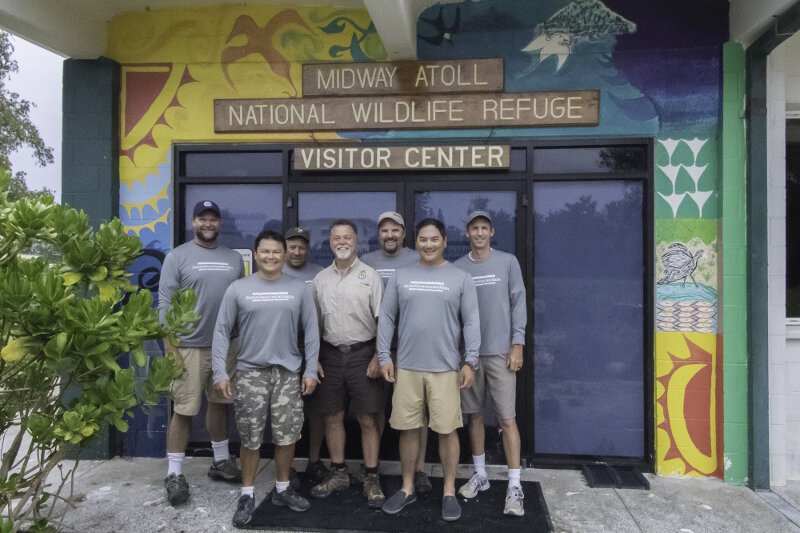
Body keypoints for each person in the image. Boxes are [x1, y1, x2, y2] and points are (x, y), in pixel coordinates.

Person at [211, 230, 320, 527]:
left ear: (284, 255)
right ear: (256, 255)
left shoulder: (299, 289)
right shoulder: (238, 289)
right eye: (265, 252)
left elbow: (311, 332)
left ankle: (282, 489)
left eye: (276, 252)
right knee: (251, 438)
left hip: (287, 374)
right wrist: (220, 371)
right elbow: (221, 331)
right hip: (250, 373)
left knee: (287, 436)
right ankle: (247, 494)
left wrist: (310, 370)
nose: (271, 257)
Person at [377, 218, 480, 522]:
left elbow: (472, 321)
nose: (429, 244)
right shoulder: (401, 275)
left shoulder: (460, 278)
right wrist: (384, 356)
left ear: (445, 242)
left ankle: (449, 490)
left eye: (434, 239)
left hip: (446, 369)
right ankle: (407, 487)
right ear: (416, 242)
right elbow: (387, 318)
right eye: (423, 239)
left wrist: (470, 360)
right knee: (408, 429)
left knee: (448, 431)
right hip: (407, 367)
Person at [158, 200, 244, 506]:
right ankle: (174, 474)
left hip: (225, 347)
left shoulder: (234, 258)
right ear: (193, 222)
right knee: (183, 409)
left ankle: (221, 462)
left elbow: (239, 302)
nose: (208, 224)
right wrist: (170, 347)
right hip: (187, 346)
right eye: (202, 219)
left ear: (219, 223)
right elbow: (165, 302)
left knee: (220, 404)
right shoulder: (177, 256)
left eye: (213, 219)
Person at [454, 211, 527, 517]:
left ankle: (514, 484)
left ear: (492, 232)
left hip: (500, 353)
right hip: (469, 357)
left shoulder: (508, 262)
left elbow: (518, 302)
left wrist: (517, 344)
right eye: (474, 228)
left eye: (485, 228)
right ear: (467, 233)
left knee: (507, 419)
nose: (480, 233)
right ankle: (481, 474)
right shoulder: (457, 268)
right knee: (474, 415)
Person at [310, 219, 386, 508]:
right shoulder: (320, 280)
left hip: (363, 354)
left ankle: (371, 477)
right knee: (332, 416)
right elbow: (314, 324)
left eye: (348, 237)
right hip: (329, 355)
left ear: (356, 241)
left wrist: (380, 355)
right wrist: (313, 358)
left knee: (367, 417)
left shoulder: (371, 276)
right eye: (336, 237)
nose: (342, 242)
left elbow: (383, 321)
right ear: (329, 242)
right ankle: (339, 473)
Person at [360, 211, 432, 494]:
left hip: (413, 348)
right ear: (378, 235)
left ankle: (420, 469)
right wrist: (378, 352)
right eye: (384, 231)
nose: (389, 236)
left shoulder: (419, 259)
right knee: (375, 408)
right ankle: (372, 470)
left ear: (403, 234)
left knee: (418, 412)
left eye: (395, 231)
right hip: (377, 349)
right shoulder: (367, 262)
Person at [281, 227, 328, 485]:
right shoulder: (275, 273)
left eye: (302, 247)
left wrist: (315, 355)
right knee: (287, 411)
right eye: (292, 247)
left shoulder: (320, 274)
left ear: (308, 249)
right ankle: (286, 466)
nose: (297, 252)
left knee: (317, 410)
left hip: (316, 349)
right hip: (286, 348)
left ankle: (313, 461)